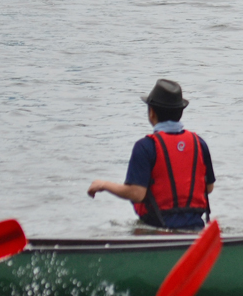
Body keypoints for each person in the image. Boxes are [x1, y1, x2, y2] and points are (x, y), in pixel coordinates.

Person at [88, 79, 215, 230]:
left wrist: (104, 185)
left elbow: (137, 194)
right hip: (197, 230)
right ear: (180, 112)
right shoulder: (199, 143)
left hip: (158, 230)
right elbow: (208, 188)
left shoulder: (145, 147)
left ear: (152, 113)